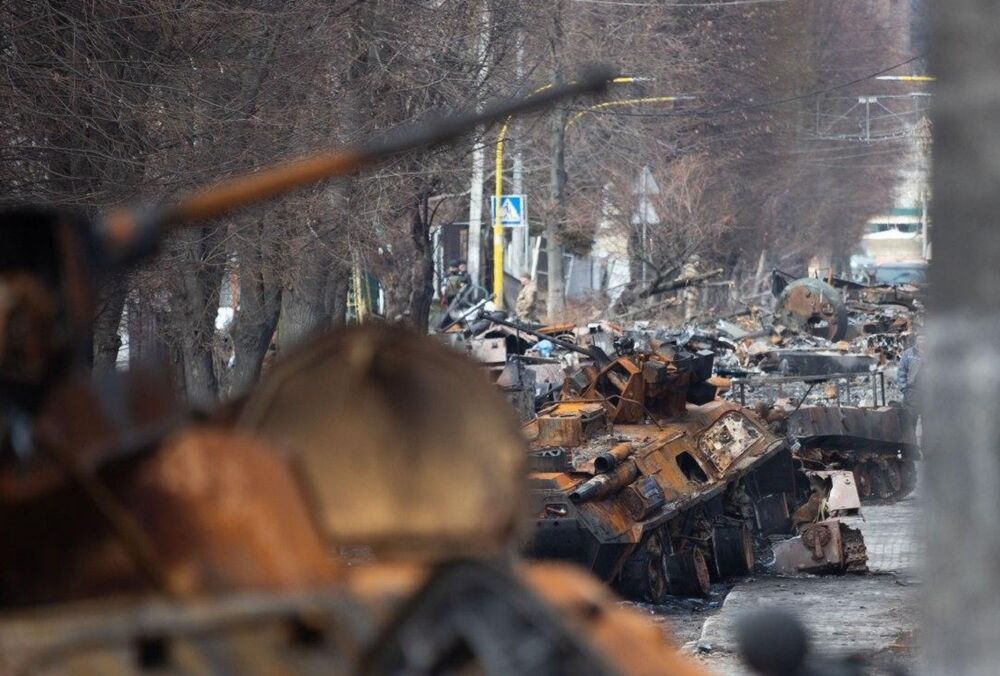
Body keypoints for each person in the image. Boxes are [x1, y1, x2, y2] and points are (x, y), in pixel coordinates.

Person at [897, 333, 925, 431]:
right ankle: (910, 445)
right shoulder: (908, 354)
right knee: (910, 422)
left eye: (925, 339)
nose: (923, 341)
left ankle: (927, 446)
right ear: (916, 340)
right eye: (920, 339)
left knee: (929, 424)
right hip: (912, 392)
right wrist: (904, 388)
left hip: (928, 394)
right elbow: (901, 371)